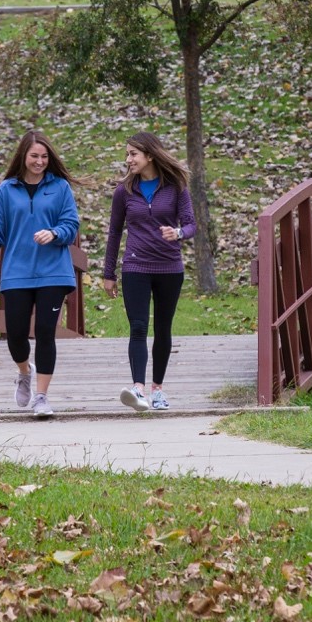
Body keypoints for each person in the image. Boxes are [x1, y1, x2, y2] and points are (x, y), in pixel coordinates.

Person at [0, 130, 81, 419]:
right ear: (23, 156)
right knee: (16, 335)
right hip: (17, 273)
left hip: (53, 273)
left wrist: (55, 233)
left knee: (46, 333)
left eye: (45, 157)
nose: (40, 161)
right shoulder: (6, 191)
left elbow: (71, 225)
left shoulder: (59, 188)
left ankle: (42, 398)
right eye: (34, 156)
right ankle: (24, 372)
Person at [101, 132, 196, 412]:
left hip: (169, 267)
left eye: (133, 154)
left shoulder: (176, 186)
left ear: (150, 156)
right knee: (138, 327)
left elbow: (191, 224)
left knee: (163, 329)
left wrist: (177, 232)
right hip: (136, 266)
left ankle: (158, 391)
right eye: (127, 154)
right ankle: (138, 389)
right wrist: (109, 273)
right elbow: (115, 231)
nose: (128, 159)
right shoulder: (124, 191)